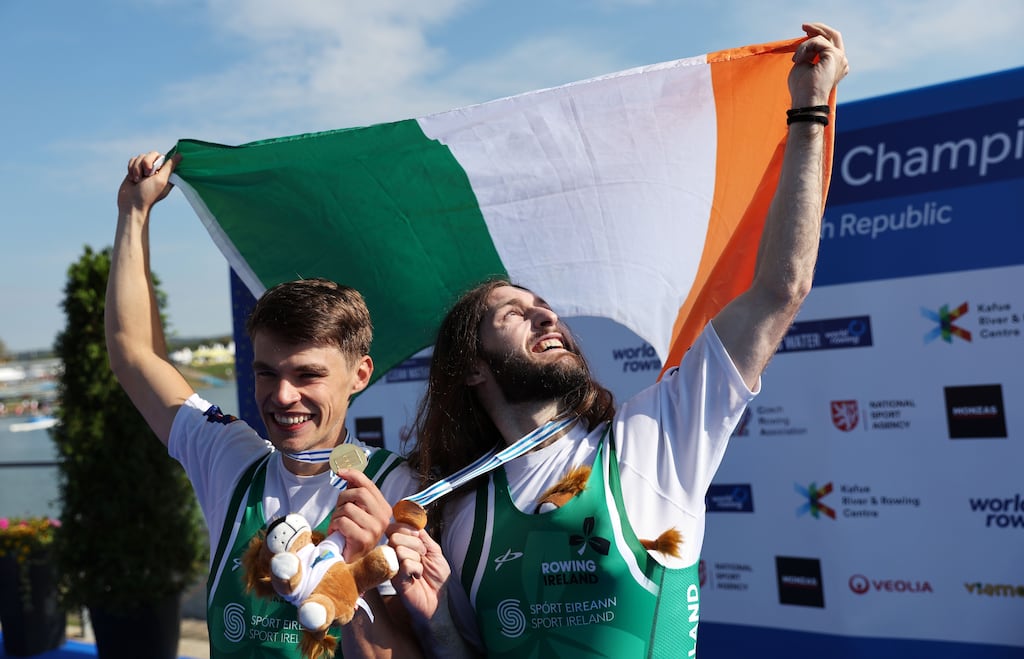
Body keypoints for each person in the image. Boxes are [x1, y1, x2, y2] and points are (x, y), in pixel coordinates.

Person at [387, 22, 849, 658]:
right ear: (471, 368)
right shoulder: (464, 520)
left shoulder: (656, 439)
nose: (546, 318)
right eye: (514, 314)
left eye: (546, 307)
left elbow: (780, 289)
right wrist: (434, 621)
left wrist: (808, 110)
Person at [107, 152, 422, 658]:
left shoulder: (400, 488)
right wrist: (133, 213)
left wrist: (364, 578)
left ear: (360, 375)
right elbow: (133, 355)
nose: (282, 396)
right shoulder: (231, 457)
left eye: (308, 375)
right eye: (266, 373)